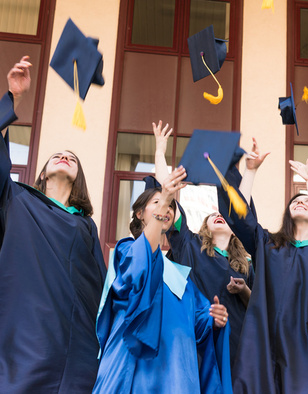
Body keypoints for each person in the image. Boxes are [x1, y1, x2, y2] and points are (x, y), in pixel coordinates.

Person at [0, 56, 108, 393]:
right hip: (24, 328)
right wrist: (13, 99)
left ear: (79, 177)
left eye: (73, 159)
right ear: (43, 171)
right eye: (57, 155)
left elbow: (99, 285)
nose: (66, 157)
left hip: (73, 338)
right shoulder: (17, 200)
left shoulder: (85, 226)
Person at [218, 145, 308, 393]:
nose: (301, 202)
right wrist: (250, 171)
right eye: (296, 200)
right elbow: (240, 216)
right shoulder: (269, 245)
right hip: (264, 343)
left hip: (306, 345)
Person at [93, 167, 233, 393]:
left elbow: (198, 323)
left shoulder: (180, 275)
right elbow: (140, 270)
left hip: (176, 373)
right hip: (134, 366)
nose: (166, 208)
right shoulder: (126, 250)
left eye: (169, 205)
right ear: (139, 213)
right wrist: (166, 194)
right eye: (157, 203)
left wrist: (213, 319)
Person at [150, 121, 254, 371]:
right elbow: (167, 198)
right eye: (213, 215)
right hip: (195, 340)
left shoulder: (248, 264)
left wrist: (242, 291)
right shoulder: (189, 244)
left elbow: (259, 305)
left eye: (224, 216)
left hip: (237, 343)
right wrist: (159, 152)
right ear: (205, 226)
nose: (219, 215)